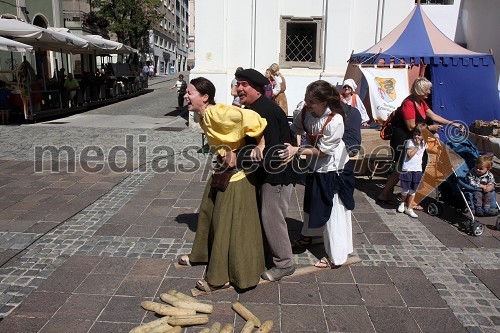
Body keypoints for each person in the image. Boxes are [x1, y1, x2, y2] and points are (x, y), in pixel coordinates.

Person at [177, 77, 267, 292]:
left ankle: (221, 276)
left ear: (205, 97)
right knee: (208, 211)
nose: (186, 95)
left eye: (190, 93)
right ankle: (201, 255)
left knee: (226, 223)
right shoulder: (203, 116)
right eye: (187, 92)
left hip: (236, 177)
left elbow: (251, 117)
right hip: (222, 170)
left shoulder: (217, 112)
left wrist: (261, 144)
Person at [230, 68, 299, 281]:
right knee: (268, 216)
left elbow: (275, 152)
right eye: (238, 83)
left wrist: (238, 157)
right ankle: (269, 253)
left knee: (272, 218)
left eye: (245, 84)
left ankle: (285, 263)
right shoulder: (254, 108)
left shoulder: (264, 111)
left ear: (258, 89)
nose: (239, 88)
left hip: (276, 175)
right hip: (268, 174)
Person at [279, 80, 352, 268]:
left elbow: (325, 151)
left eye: (311, 101)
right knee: (313, 203)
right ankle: (312, 236)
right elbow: (295, 129)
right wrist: (293, 145)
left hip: (333, 168)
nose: (307, 104)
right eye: (306, 99)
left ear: (324, 102)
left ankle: (336, 255)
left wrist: (298, 150)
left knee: (332, 208)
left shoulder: (335, 120)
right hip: (315, 166)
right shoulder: (305, 113)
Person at [377, 77, 459, 209]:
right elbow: (411, 126)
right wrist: (430, 128)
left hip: (415, 139)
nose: (429, 92)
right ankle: (408, 200)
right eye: (427, 89)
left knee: (403, 169)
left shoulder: (420, 102)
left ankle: (388, 195)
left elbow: (433, 116)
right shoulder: (409, 103)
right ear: (420, 89)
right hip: (404, 140)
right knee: (409, 169)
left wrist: (451, 123)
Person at [397, 123, 428, 218]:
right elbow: (410, 155)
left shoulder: (425, 144)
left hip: (417, 170)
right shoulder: (409, 142)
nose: (416, 136)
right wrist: (417, 146)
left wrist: (436, 136)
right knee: (405, 190)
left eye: (419, 135)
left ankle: (409, 208)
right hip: (407, 169)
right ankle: (402, 202)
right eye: (415, 134)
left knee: (413, 191)